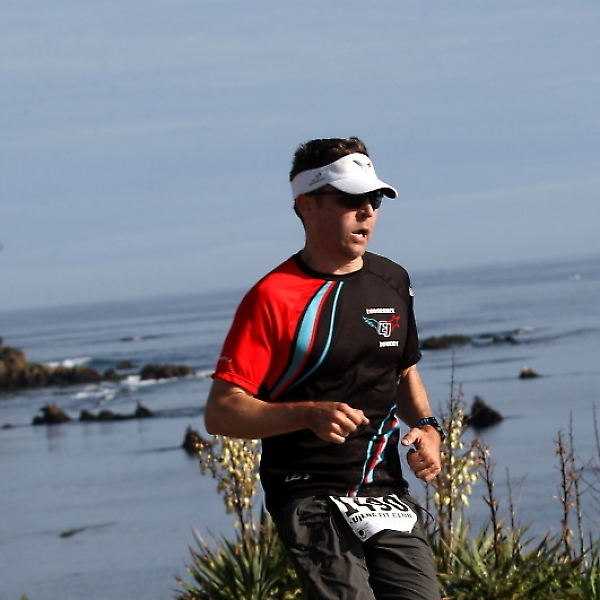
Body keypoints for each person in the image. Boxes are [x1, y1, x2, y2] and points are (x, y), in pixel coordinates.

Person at [205, 137, 443, 600]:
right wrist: (307, 413)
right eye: (351, 199)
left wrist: (429, 427)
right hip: (308, 491)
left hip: (384, 490)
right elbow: (222, 412)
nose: (367, 211)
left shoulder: (392, 280)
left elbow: (402, 372)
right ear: (306, 206)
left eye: (374, 200)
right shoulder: (272, 297)